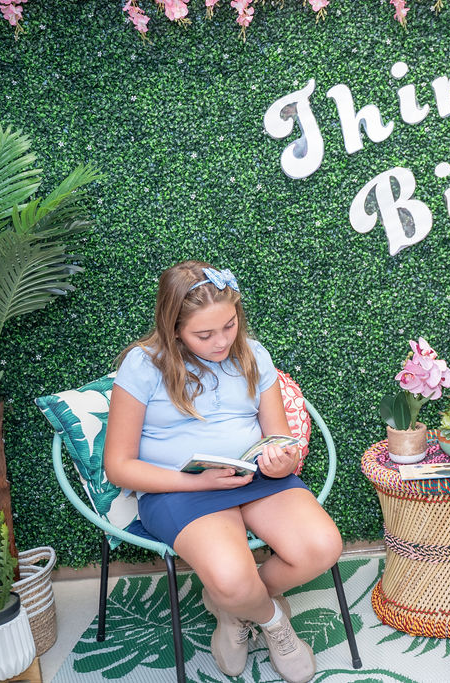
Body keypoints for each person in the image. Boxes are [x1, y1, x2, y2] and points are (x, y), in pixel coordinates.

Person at [104, 261, 342, 683]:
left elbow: (280, 439)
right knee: (232, 578)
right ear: (174, 328)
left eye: (229, 326)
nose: (221, 342)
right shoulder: (143, 365)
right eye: (204, 334)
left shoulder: (252, 353)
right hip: (177, 489)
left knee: (322, 547)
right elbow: (118, 467)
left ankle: (232, 608)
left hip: (255, 477)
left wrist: (282, 461)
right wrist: (197, 481)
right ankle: (272, 621)